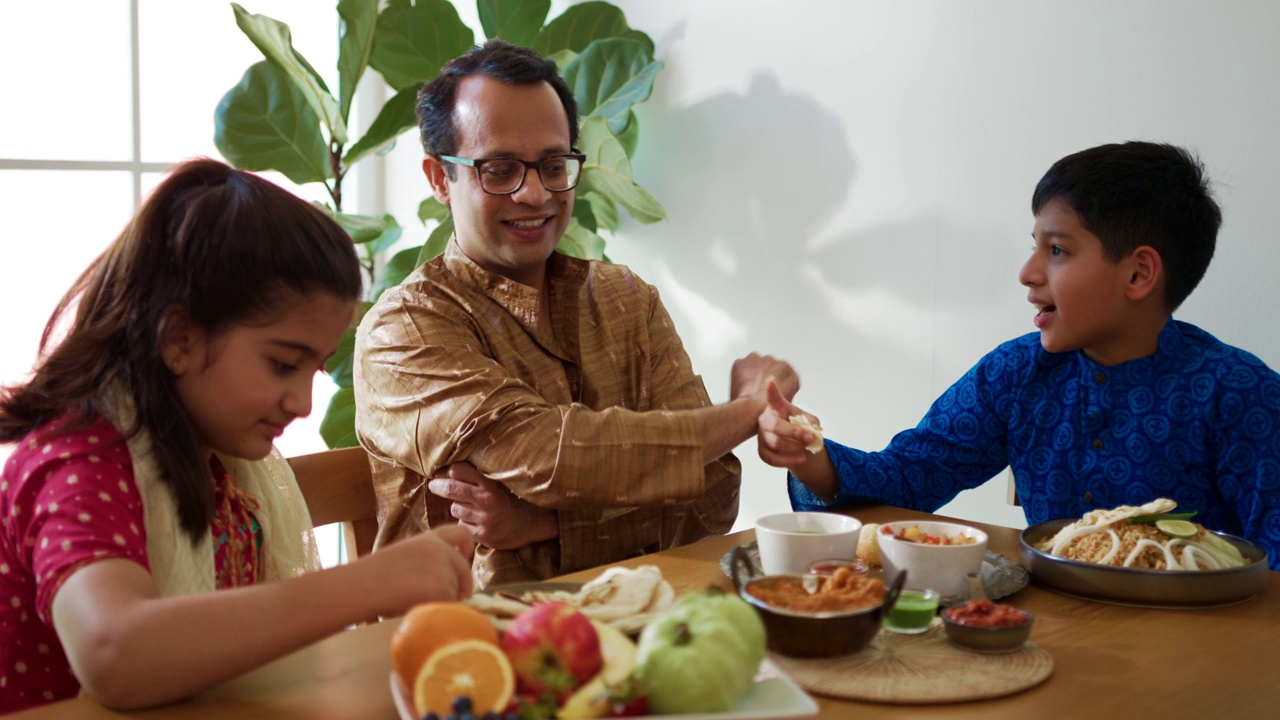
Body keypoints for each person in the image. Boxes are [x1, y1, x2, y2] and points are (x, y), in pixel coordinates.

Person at [0, 159, 475, 714]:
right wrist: (367, 583)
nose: (300, 403)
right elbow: (115, 654)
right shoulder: (80, 463)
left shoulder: (220, 462)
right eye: (281, 365)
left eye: (313, 371)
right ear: (179, 338)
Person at [354, 39, 799, 588]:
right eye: (499, 169)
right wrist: (749, 409)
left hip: (643, 628)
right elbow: (550, 456)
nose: (535, 193)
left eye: (552, 164)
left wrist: (546, 524)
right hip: (465, 651)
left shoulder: (626, 299)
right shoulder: (404, 331)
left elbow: (712, 496)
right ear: (440, 179)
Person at [758, 141, 1280, 570]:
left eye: (1057, 250)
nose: (1028, 273)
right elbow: (910, 477)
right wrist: (812, 457)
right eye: (1036, 245)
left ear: (1139, 274)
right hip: (1046, 640)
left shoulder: (1239, 393)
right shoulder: (1018, 372)